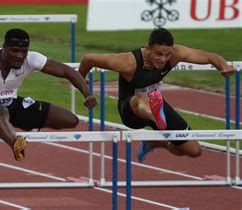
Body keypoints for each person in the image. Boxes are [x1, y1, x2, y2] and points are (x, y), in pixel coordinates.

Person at [78, 28, 235, 162]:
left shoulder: (175, 54)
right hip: (131, 111)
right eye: (158, 54)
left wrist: (224, 65)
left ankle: (155, 142)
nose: (163, 59)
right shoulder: (127, 62)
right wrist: (83, 86)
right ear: (148, 49)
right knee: (140, 99)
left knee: (193, 150)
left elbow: (207, 56)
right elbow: (88, 59)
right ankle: (156, 116)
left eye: (167, 54)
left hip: (156, 104)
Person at [0, 28, 97, 161]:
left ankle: (26, 125)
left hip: (13, 105)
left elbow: (67, 71)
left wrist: (87, 94)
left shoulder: (31, 59)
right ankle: (16, 143)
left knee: (70, 120)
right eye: (14, 51)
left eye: (24, 51)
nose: (19, 56)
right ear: (4, 47)